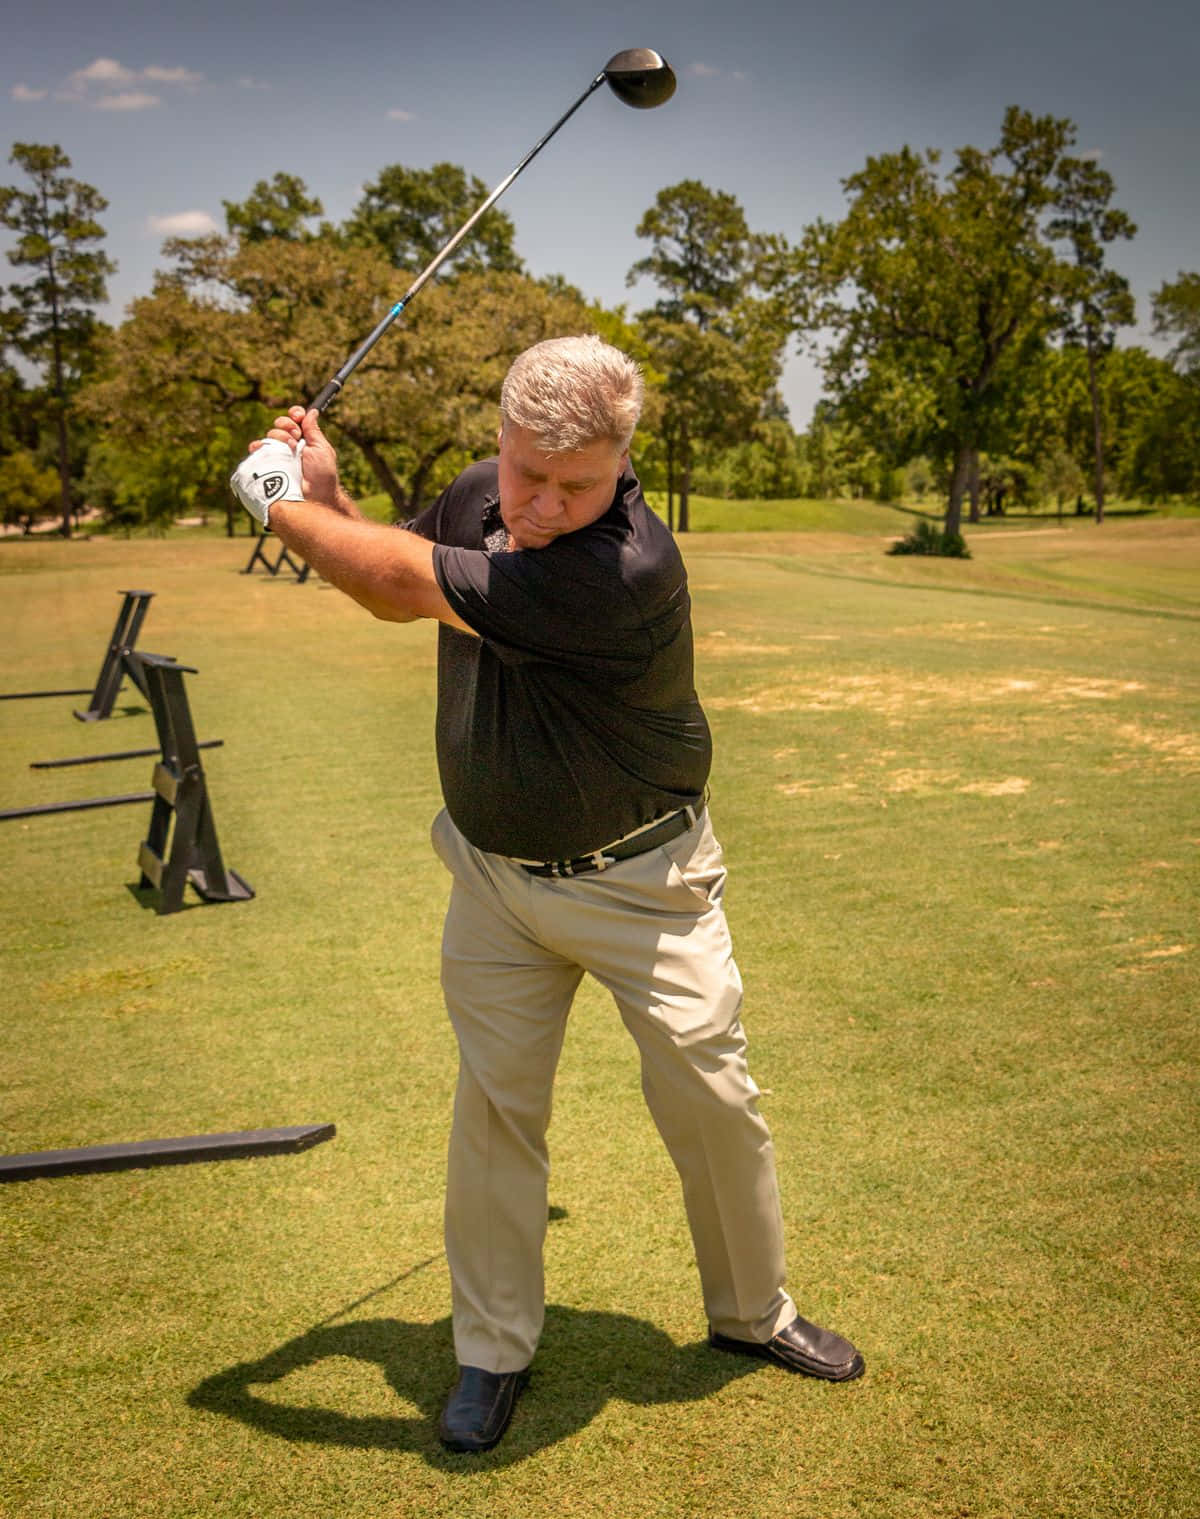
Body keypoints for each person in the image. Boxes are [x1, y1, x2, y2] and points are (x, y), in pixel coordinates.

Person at [232, 334, 864, 1455]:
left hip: (642, 883)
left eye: (577, 485)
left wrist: (278, 502)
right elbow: (404, 555)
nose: (538, 503)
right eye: (526, 473)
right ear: (501, 439)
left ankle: (751, 1312)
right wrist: (329, 492)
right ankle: (491, 1348)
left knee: (713, 1100)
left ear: (624, 462)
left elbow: (388, 580)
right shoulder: (486, 493)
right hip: (493, 876)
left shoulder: (618, 568)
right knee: (494, 1110)